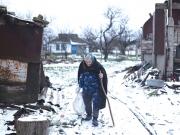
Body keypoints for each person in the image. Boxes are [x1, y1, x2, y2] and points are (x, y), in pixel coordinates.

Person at [77, 53, 108, 126]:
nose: (88, 63)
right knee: (87, 102)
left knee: (96, 103)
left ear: (92, 61)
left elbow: (102, 79)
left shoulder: (98, 66)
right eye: (86, 62)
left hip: (96, 89)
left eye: (89, 62)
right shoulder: (83, 65)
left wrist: (101, 76)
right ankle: (89, 115)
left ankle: (95, 118)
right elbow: (81, 76)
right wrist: (79, 86)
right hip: (86, 88)